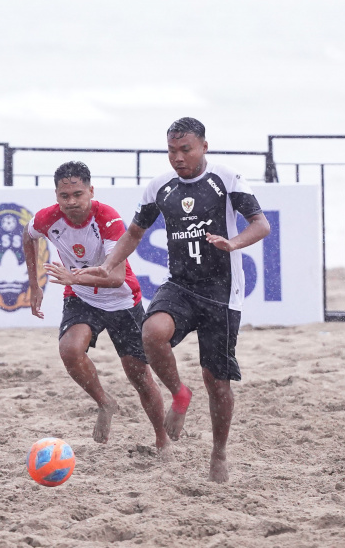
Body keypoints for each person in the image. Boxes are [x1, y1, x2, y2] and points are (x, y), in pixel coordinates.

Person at [82, 117, 271, 482]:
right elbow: (134, 233)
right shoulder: (160, 187)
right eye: (172, 150)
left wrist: (233, 243)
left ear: (204, 146)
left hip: (221, 291)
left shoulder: (225, 178)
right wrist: (109, 263)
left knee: (217, 382)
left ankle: (218, 454)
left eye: (186, 149)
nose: (178, 157)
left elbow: (261, 224)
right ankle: (179, 394)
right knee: (152, 333)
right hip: (180, 285)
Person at [21, 161, 170, 453]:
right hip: (81, 297)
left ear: (91, 190)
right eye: (65, 196)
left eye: (78, 194)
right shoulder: (48, 218)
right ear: (56, 195)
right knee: (69, 350)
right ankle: (104, 401)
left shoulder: (108, 218)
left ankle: (162, 440)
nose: (72, 202)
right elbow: (28, 236)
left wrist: (73, 275)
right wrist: (34, 285)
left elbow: (114, 278)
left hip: (122, 301)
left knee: (140, 377)